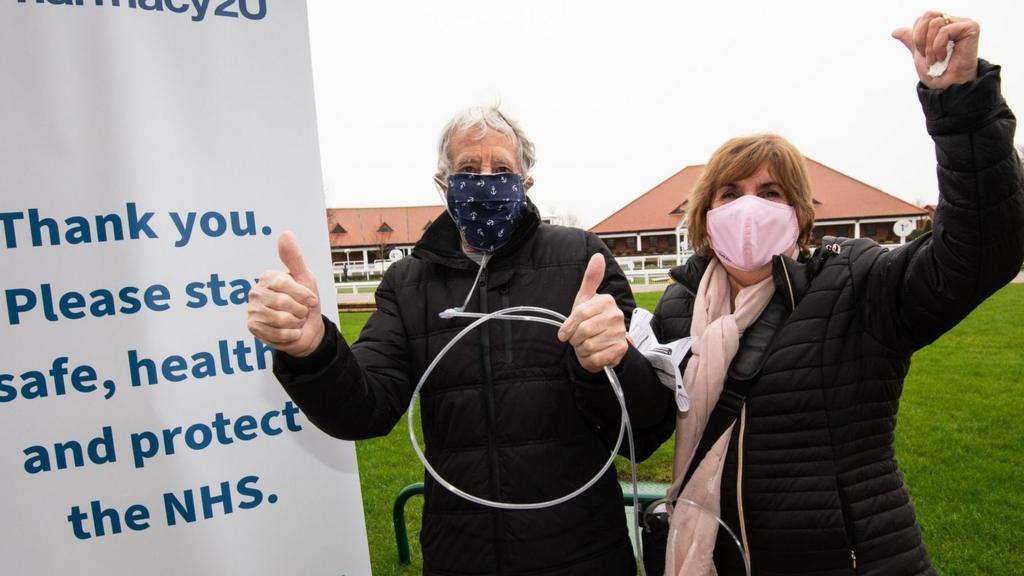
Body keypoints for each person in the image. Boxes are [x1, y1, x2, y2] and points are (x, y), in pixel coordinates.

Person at [646, 11, 1024, 576]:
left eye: (770, 192)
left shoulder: (857, 287)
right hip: (718, 558)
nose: (749, 207)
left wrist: (960, 106)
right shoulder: (678, 309)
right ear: (705, 216)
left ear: (798, 217)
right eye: (731, 192)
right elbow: (637, 424)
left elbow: (979, 251)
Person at [246, 106, 673, 575]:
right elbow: (365, 409)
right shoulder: (408, 283)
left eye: (502, 170)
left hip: (581, 554)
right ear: (443, 183)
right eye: (469, 170)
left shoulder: (581, 260)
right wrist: (314, 351)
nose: (486, 182)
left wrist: (611, 361)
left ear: (526, 183)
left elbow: (645, 429)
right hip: (462, 556)